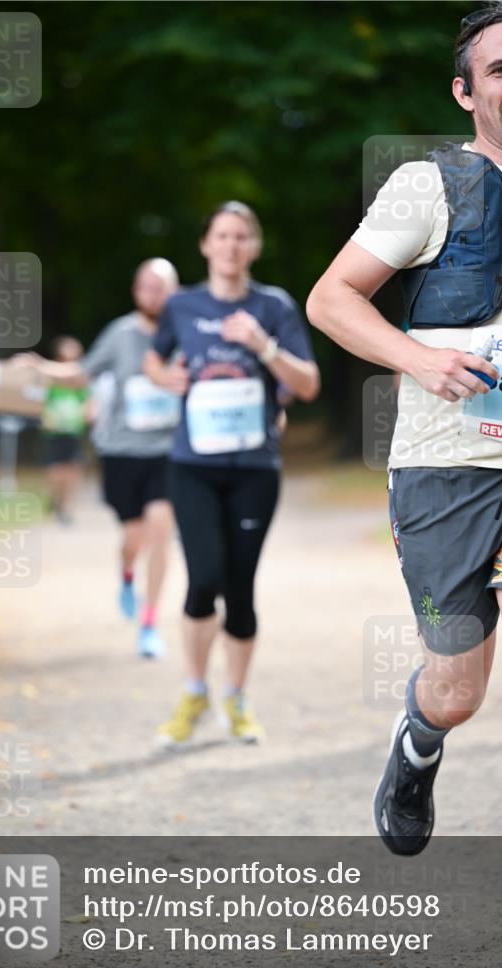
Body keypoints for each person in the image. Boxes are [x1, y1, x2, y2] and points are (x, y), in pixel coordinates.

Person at [306, 3, 502, 968]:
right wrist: (418, 356)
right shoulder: (432, 184)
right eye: (499, 69)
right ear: (467, 90)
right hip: (446, 469)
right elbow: (334, 299)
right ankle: (417, 745)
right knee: (457, 687)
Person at [144, 201, 320, 747]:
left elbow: (308, 384)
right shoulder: (181, 305)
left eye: (242, 236)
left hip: (253, 470)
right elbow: (154, 360)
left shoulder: (273, 307)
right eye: (221, 236)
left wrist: (262, 347)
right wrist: (165, 378)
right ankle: (194, 690)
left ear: (254, 246)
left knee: (240, 590)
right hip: (192, 466)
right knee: (204, 577)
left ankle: (236, 701)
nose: (231, 246)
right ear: (205, 245)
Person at [12, 258, 180, 659]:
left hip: (168, 452)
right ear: (135, 291)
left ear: (174, 290)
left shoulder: (187, 331)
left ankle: (150, 621)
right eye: (145, 287)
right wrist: (41, 368)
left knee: (160, 529)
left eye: (160, 287)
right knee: (133, 538)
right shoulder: (120, 334)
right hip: (123, 452)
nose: (152, 294)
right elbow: (80, 374)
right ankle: (126, 576)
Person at [40, 336, 91, 525]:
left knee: (72, 469)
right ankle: (55, 499)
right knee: (55, 468)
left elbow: (87, 399)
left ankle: (66, 506)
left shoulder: (81, 377)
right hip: (54, 429)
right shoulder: (49, 376)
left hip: (74, 429)